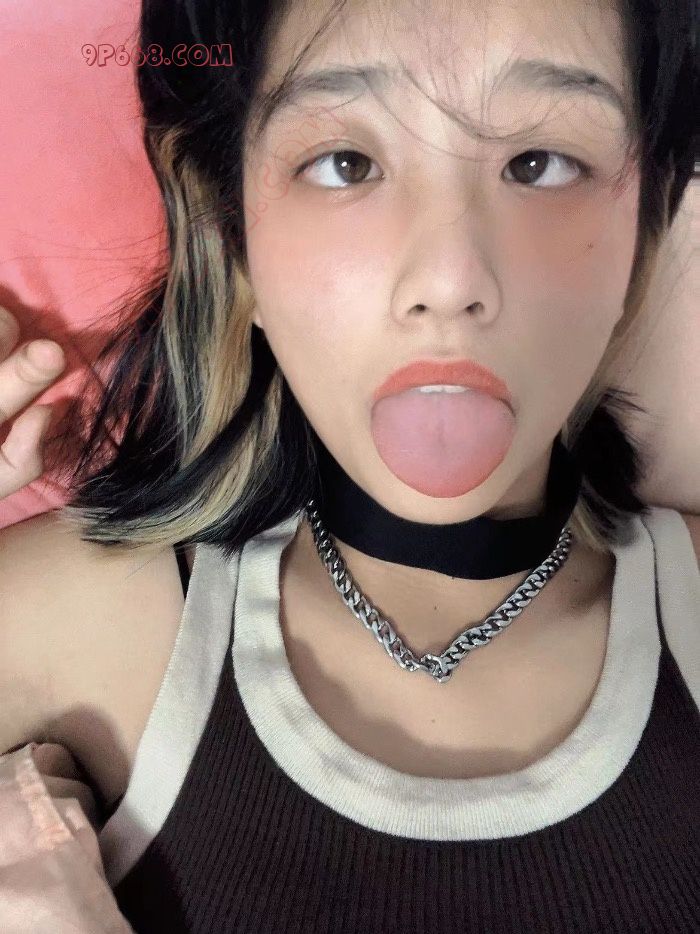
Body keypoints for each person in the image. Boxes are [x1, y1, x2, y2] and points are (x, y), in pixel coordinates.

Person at [0, 0, 698, 931]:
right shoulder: (88, 615)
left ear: (647, 232)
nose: (450, 280)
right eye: (346, 164)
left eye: (540, 164)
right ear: (230, 234)